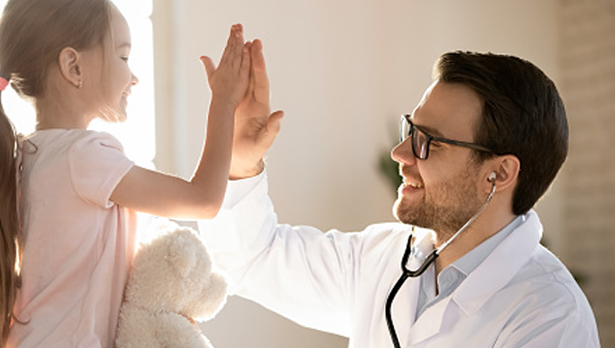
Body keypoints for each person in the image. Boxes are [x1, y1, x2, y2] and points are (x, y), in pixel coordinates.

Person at [198, 49, 601, 347]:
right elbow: (251, 259)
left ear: (499, 173)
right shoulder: (382, 259)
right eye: (410, 129)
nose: (400, 154)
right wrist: (241, 162)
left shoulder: (550, 317)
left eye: (430, 143)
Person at [0, 0, 256, 347]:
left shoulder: (29, 157)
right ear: (73, 67)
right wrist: (224, 103)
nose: (134, 76)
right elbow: (203, 200)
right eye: (123, 57)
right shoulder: (84, 156)